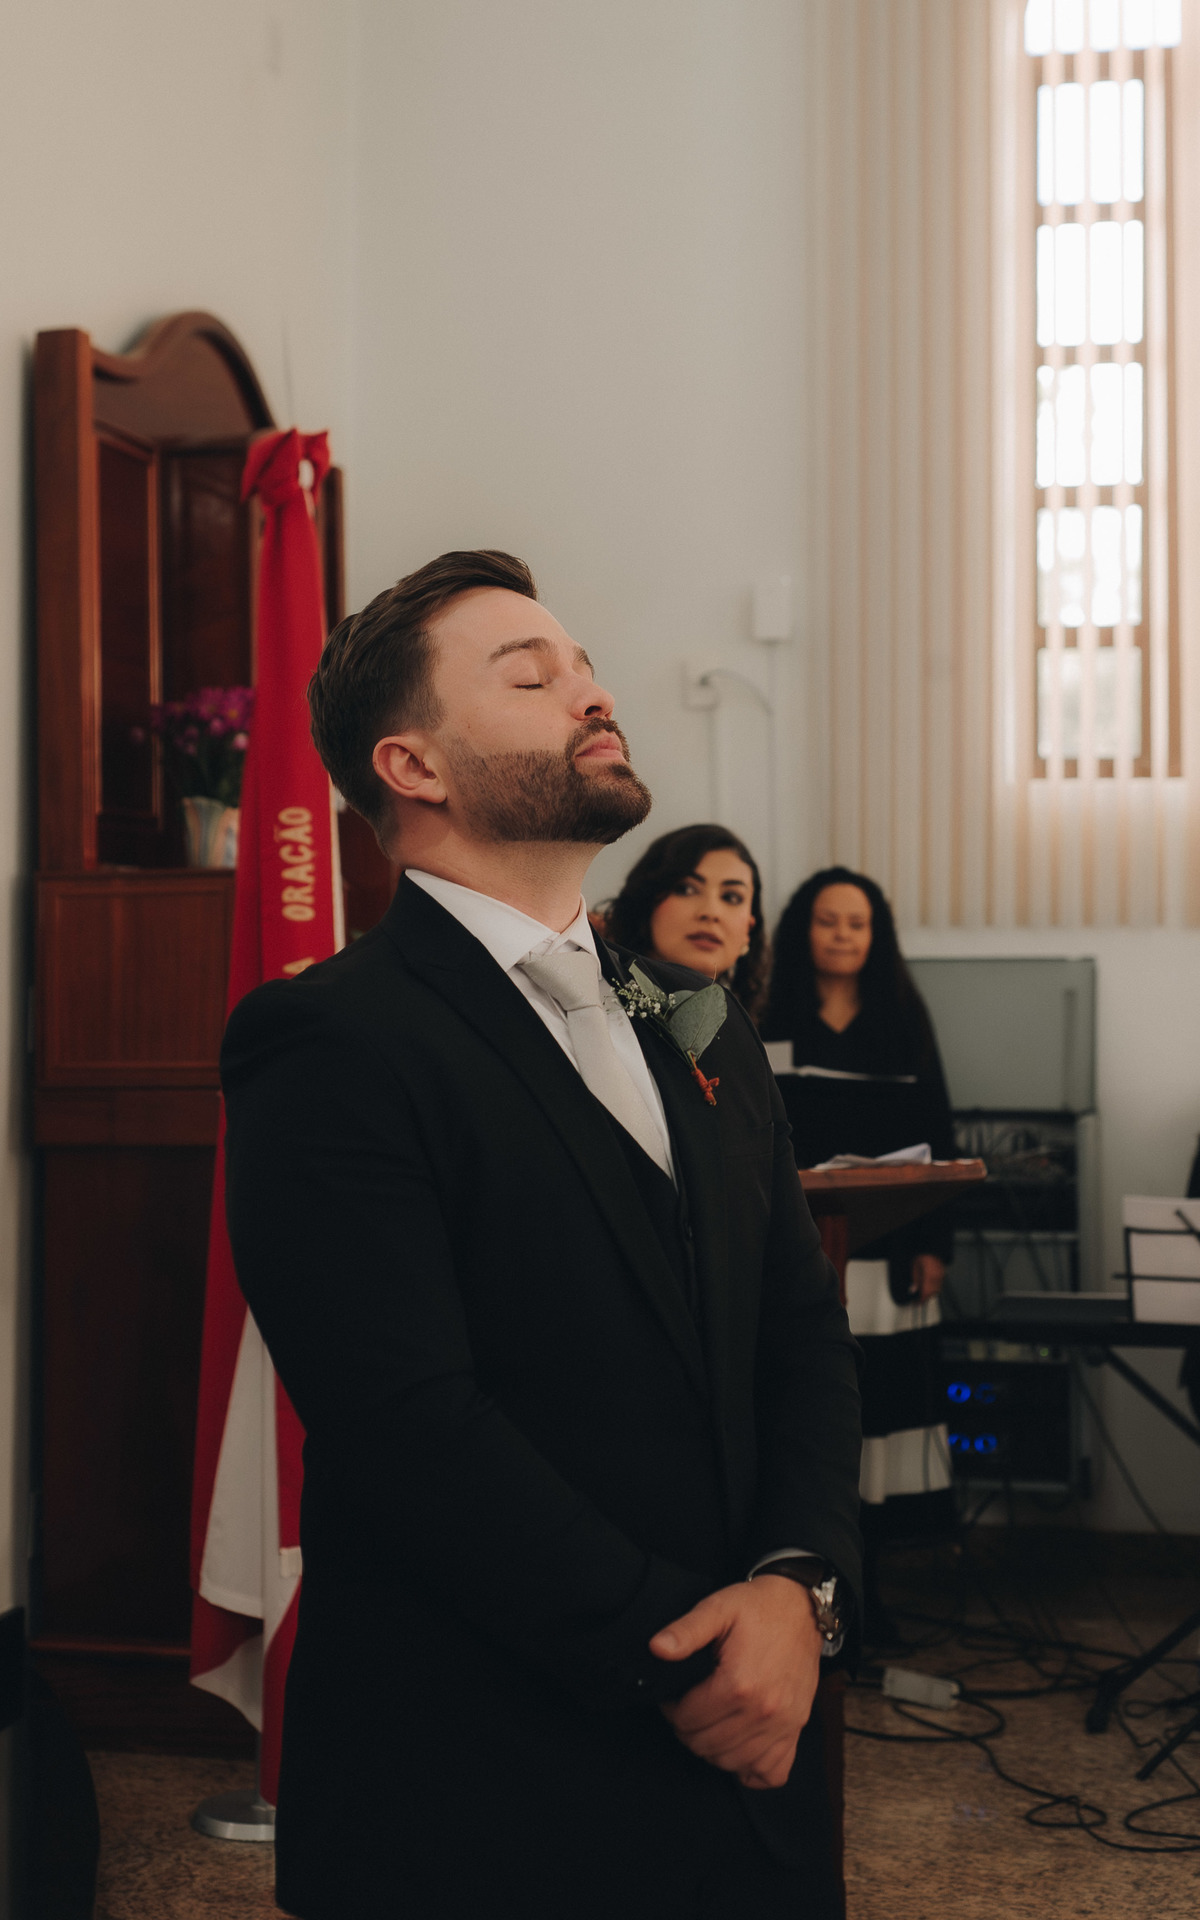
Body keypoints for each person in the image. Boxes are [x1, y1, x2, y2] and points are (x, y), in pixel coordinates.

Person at [221, 550, 863, 1920]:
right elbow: (408, 1422)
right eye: (531, 677)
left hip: (759, 1774)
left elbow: (800, 1333)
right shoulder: (328, 1039)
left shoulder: (703, 1025)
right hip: (486, 1784)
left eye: (585, 667)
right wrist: (690, 1658)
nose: (593, 693)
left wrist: (797, 1592)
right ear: (413, 766)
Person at [763, 866, 957, 1643]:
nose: (842, 935)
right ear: (800, 930)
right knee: (813, 1425)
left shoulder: (902, 1017)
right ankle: (812, 1603)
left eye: (857, 923)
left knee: (882, 1423)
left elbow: (939, 1130)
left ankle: (873, 1597)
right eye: (827, 920)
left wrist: (935, 1245)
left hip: (891, 1259)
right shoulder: (764, 1011)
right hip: (796, 1259)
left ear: (876, 936)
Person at [603, 823, 769, 1020]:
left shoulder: (746, 1026)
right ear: (646, 902)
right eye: (686, 889)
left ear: (749, 928)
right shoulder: (598, 1001)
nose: (711, 912)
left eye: (731, 897)